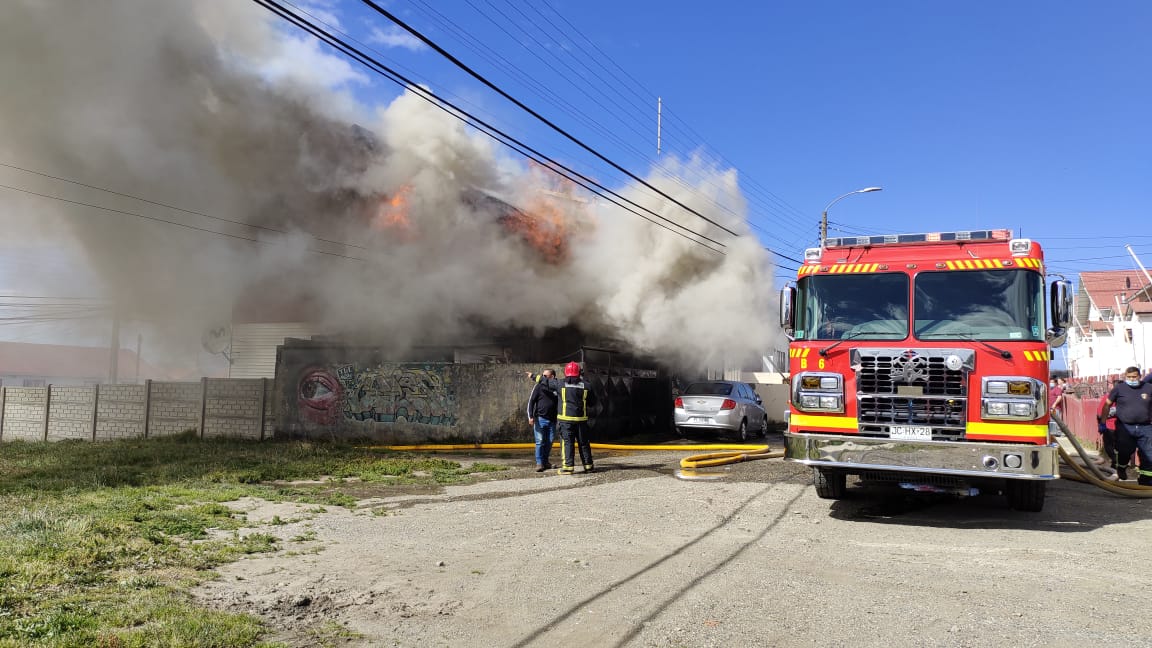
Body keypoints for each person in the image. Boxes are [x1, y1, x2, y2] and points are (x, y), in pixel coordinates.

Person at [528, 361, 597, 475]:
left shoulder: (560, 384)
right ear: (579, 373)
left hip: (566, 422)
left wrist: (533, 376)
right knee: (584, 444)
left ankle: (568, 467)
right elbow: (592, 403)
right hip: (581, 421)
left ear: (566, 373)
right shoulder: (587, 386)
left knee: (567, 443)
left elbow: (545, 381)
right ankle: (589, 466)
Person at [1099, 367, 1152, 484]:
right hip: (1125, 427)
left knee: (1149, 454)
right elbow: (1107, 405)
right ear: (1125, 376)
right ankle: (1121, 467)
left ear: (1139, 376)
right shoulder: (1119, 388)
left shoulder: (1148, 388)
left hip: (1145, 427)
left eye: (1134, 377)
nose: (1132, 379)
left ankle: (1146, 480)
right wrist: (1102, 423)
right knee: (1124, 451)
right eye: (1129, 377)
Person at [526, 368, 558, 472]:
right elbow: (531, 402)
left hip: (552, 420)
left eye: (545, 376)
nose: (542, 377)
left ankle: (545, 461)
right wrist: (530, 416)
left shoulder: (557, 386)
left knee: (549, 441)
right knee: (540, 441)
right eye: (542, 375)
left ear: (552, 377)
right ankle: (539, 463)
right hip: (540, 418)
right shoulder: (538, 386)